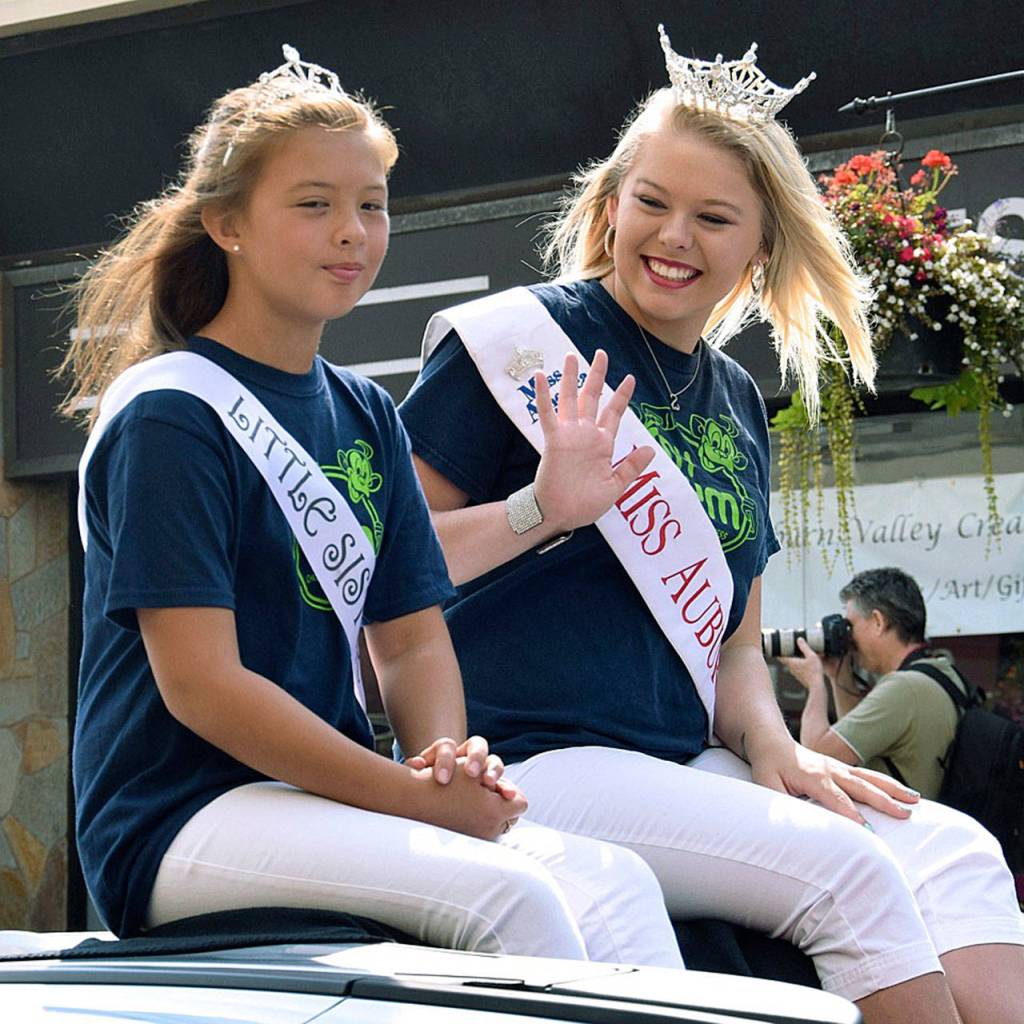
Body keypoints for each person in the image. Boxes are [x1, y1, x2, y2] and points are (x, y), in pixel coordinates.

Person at [398, 25, 1024, 1024]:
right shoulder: (517, 346)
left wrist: (775, 743)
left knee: (957, 851)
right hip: (528, 759)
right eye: (651, 201)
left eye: (713, 216)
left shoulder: (734, 397)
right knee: (847, 876)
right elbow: (386, 569)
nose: (673, 235)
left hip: (685, 761)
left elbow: (734, 640)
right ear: (612, 203)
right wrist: (539, 509)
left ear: (760, 245)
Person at [60, 45, 685, 970]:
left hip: (325, 804)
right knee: (512, 898)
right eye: (313, 205)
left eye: (371, 205)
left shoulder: (363, 411)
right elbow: (201, 685)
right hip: (178, 815)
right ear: (226, 224)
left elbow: (412, 638)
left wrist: (443, 762)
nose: (352, 231)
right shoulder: (171, 413)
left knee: (618, 886)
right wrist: (411, 798)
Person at [780, 568, 968, 800]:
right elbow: (856, 741)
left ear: (878, 622)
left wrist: (814, 683)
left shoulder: (904, 689)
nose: (848, 638)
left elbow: (819, 756)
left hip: (904, 830)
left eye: (851, 626)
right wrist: (837, 675)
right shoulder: (939, 673)